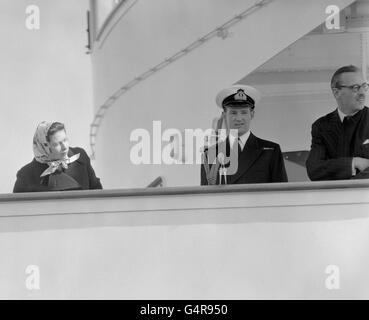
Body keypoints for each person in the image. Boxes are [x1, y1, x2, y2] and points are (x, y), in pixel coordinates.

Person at [201, 84, 288, 185]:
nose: (239, 118)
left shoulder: (271, 151)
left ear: (252, 114)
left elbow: (281, 195)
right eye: (233, 113)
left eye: (244, 112)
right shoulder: (211, 154)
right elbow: (206, 196)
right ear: (224, 115)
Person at [306, 65, 369, 181]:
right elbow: (314, 169)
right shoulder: (321, 127)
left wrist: (335, 169)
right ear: (336, 92)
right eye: (355, 88)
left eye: (364, 86)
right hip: (334, 197)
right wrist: (354, 162)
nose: (363, 93)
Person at [13, 121, 102, 192]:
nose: (64, 147)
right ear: (44, 147)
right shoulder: (26, 175)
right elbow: (18, 210)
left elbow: (96, 189)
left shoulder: (80, 156)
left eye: (65, 140)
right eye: (57, 144)